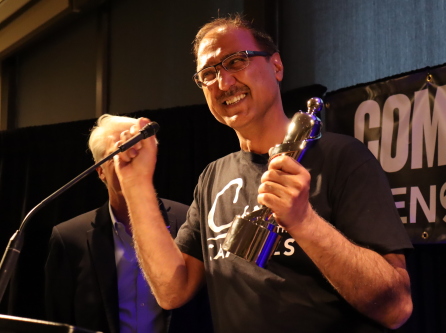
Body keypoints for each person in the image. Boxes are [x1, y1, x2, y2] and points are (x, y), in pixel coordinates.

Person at [113, 14, 413, 333]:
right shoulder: (213, 176)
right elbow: (172, 292)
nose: (224, 83)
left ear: (277, 66)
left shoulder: (344, 158)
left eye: (237, 61)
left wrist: (303, 221)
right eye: (208, 73)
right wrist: (136, 186)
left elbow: (396, 308)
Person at [44, 114, 212, 333]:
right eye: (119, 152)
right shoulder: (69, 238)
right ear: (100, 171)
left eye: (137, 150)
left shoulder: (189, 220)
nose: (129, 158)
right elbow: (58, 320)